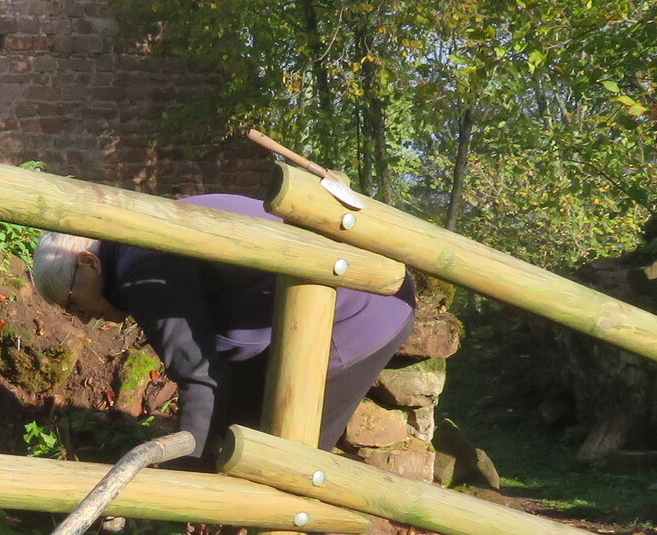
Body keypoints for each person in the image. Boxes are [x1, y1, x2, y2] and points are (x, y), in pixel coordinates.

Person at [31, 193, 416, 468]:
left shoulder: (143, 269)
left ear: (88, 262)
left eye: (72, 303)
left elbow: (200, 378)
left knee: (286, 465)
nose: (82, 319)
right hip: (350, 302)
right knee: (240, 435)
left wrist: (183, 485)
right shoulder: (138, 239)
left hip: (357, 311)